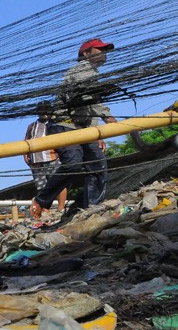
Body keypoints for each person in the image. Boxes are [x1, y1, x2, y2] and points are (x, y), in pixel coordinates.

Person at [30, 38, 118, 218]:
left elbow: (89, 106)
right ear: (86, 53)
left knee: (97, 164)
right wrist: (107, 116)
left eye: (105, 50)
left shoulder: (93, 73)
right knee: (74, 164)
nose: (104, 53)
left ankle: (92, 208)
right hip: (65, 125)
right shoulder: (81, 70)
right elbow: (87, 98)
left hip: (82, 127)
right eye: (99, 50)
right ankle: (41, 200)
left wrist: (99, 130)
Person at [24, 101, 67, 212]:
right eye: (41, 111)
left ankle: (61, 207)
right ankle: (45, 210)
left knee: (58, 183)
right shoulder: (32, 126)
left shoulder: (55, 124)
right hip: (36, 160)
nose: (43, 113)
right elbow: (26, 141)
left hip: (52, 157)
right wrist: (26, 155)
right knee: (41, 187)